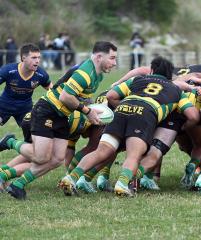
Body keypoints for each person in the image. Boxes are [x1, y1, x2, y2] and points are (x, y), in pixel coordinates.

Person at [59, 56, 200, 197]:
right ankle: (122, 184)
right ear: (170, 75)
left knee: (101, 151)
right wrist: (183, 128)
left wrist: (126, 108)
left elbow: (111, 95)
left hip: (122, 110)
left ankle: (71, 178)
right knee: (133, 155)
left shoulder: (137, 80)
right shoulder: (176, 90)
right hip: (145, 114)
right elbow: (193, 115)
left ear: (151, 70)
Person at [5, 41, 117, 200]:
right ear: (99, 57)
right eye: (112, 58)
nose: (114, 63)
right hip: (47, 110)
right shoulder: (85, 73)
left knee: (57, 159)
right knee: (41, 157)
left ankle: (17, 185)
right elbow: (66, 97)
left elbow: (82, 98)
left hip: (62, 116)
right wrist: (87, 111)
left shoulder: (97, 75)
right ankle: (10, 142)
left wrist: (97, 108)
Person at [0, 43, 51, 128]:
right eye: (34, 57)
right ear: (24, 58)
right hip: (5, 104)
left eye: (39, 57)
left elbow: (53, 91)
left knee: (33, 134)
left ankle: (10, 141)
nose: (37, 61)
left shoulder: (41, 74)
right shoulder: (8, 70)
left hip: (25, 108)